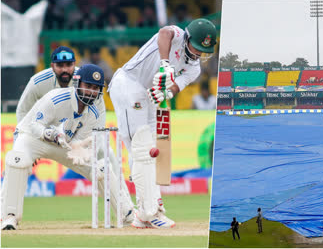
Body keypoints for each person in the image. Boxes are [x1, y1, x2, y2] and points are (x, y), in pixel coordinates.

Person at [108, 18, 217, 229]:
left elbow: (175, 89)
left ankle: (147, 210)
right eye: (196, 47)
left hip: (148, 96)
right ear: (187, 38)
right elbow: (164, 32)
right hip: (128, 84)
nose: (198, 53)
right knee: (141, 149)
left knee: (151, 151)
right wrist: (165, 63)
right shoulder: (175, 35)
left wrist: (166, 91)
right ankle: (149, 212)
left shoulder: (194, 69)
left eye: (204, 50)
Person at [1, 65, 134, 230]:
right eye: (88, 86)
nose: (92, 92)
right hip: (33, 138)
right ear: (78, 84)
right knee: (17, 160)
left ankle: (127, 214)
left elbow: (84, 141)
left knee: (100, 168)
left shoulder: (94, 112)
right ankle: (9, 217)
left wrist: (79, 148)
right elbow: (34, 125)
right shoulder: (56, 98)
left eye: (96, 88)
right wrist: (48, 134)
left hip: (64, 144)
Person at [16, 46, 79, 122]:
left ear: (74, 64)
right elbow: (23, 110)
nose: (64, 69)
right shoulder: (38, 81)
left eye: (69, 65)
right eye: (60, 65)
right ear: (52, 66)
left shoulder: (83, 78)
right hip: (45, 126)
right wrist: (24, 132)